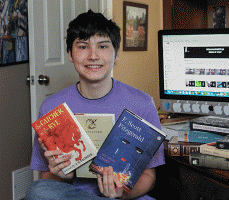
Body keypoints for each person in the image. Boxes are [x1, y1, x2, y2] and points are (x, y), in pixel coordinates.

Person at [25, 9, 165, 200]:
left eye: (103, 46)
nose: (93, 55)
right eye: (83, 46)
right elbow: (46, 177)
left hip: (124, 198)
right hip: (74, 195)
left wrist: (120, 194)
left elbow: (149, 175)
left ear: (116, 54)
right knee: (38, 190)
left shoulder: (141, 103)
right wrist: (61, 176)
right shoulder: (52, 107)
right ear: (70, 54)